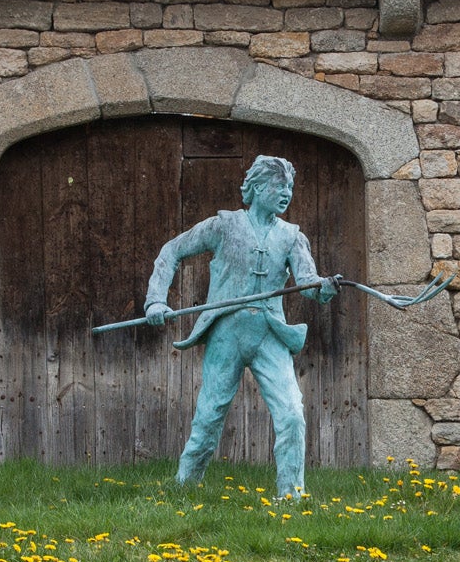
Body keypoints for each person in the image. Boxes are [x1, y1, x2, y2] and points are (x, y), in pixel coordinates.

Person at [144, 155, 336, 500]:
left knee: (292, 413)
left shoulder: (292, 237)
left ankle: (292, 498)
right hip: (226, 334)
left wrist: (323, 288)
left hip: (270, 334)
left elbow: (308, 283)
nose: (286, 193)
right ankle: (184, 489)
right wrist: (155, 300)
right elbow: (171, 251)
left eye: (290, 187)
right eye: (280, 186)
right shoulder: (223, 225)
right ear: (257, 187)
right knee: (209, 415)